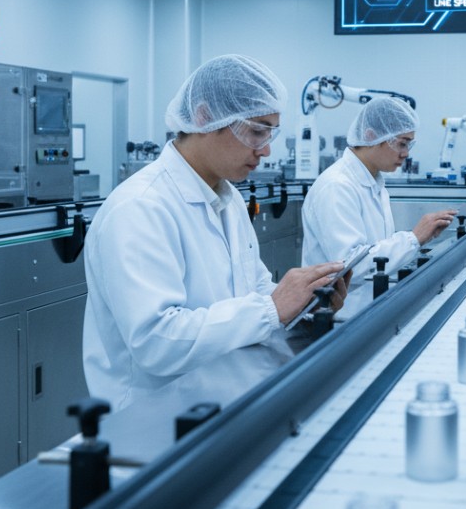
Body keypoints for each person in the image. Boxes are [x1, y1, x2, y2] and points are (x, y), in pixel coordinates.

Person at [83, 55, 347, 412]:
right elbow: (156, 342)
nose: (266, 149)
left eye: (270, 133)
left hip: (222, 396)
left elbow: (254, 289)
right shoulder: (140, 207)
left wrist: (305, 304)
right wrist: (272, 309)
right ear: (205, 117)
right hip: (154, 416)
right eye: (257, 131)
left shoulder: (228, 197)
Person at [302, 97, 456, 292]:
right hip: (344, 309)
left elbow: (376, 249)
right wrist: (413, 238)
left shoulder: (374, 182)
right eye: (402, 143)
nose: (406, 153)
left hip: (370, 303)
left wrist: (421, 238)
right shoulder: (337, 186)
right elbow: (352, 267)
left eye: (409, 145)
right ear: (370, 136)